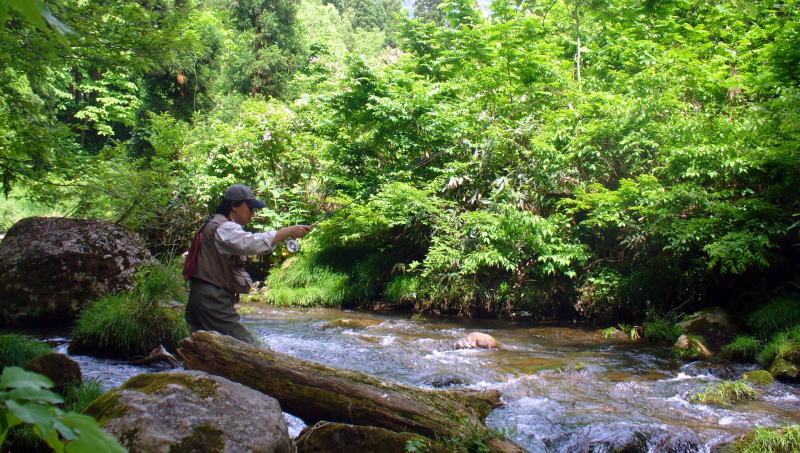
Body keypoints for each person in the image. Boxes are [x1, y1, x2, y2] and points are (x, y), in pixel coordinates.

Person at [185, 184, 312, 343]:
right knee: (245, 345)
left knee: (202, 345)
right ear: (234, 206)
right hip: (212, 297)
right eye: (250, 207)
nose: (253, 212)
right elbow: (251, 243)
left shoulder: (214, 222)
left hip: (202, 294)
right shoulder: (224, 227)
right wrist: (288, 231)